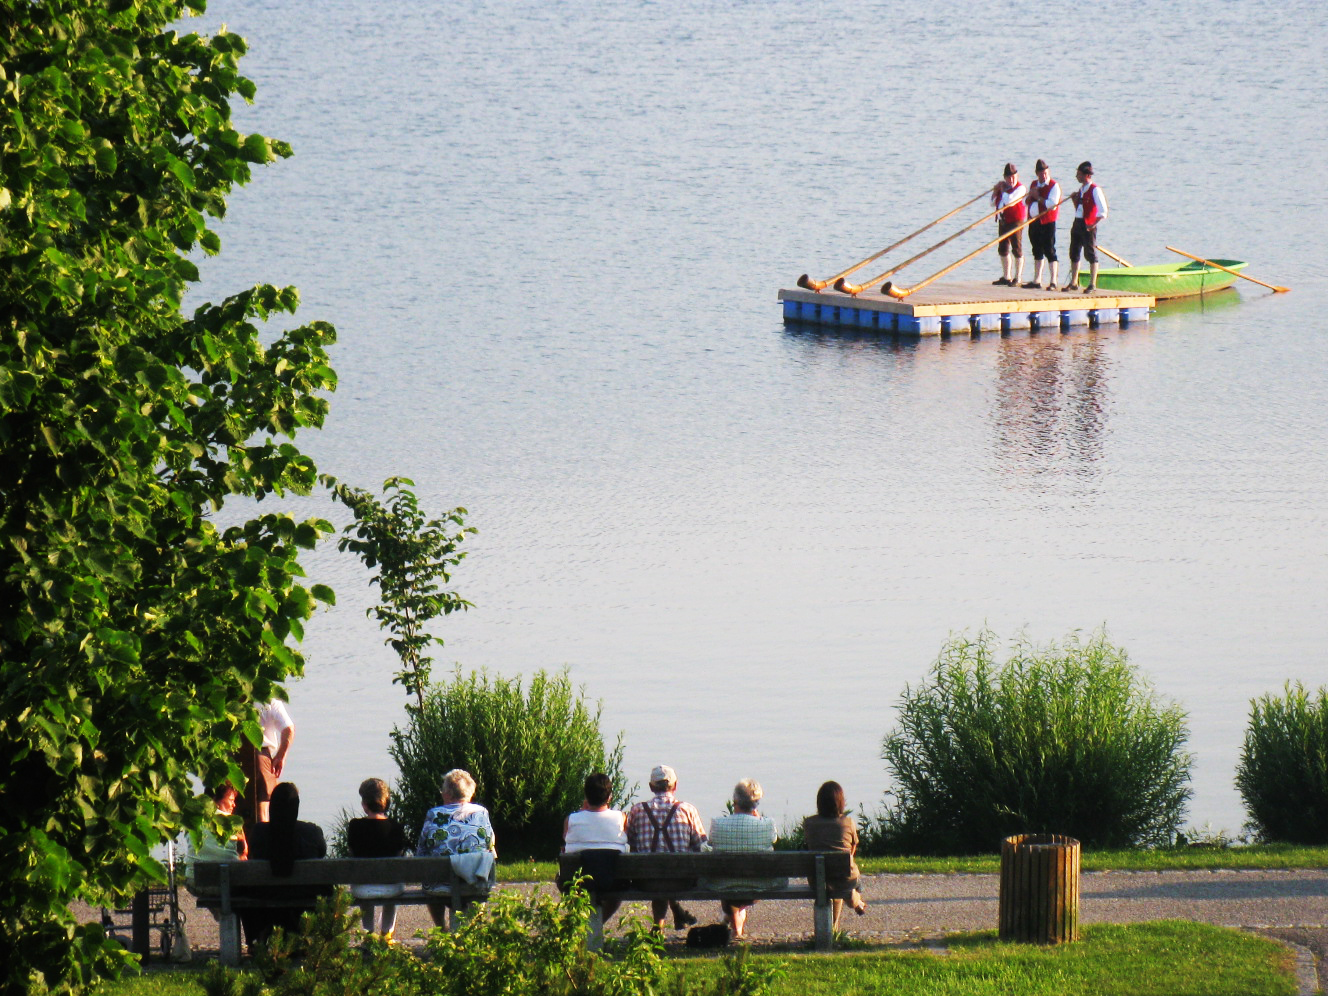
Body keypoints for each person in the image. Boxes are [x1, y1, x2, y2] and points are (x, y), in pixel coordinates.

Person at [241, 782, 329, 953]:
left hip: (267, 894)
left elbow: (253, 853)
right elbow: (322, 852)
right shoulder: (311, 831)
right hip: (304, 894)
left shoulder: (260, 831)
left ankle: (256, 939)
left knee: (244, 889)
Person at [626, 764, 707, 932]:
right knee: (669, 872)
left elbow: (631, 842)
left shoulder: (636, 810)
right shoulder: (687, 810)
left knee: (658, 872)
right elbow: (699, 844)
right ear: (675, 786)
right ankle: (676, 912)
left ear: (650, 787)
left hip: (645, 881)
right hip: (682, 881)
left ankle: (659, 925)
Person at [416, 768, 496, 927]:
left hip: (439, 886)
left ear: (447, 793)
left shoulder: (434, 814)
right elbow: (490, 844)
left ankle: (441, 928)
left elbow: (421, 850)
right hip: (473, 882)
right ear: (470, 792)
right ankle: (471, 927)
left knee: (431, 876)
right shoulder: (482, 813)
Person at [705, 778, 780, 940]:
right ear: (757, 803)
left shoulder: (718, 824)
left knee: (731, 884)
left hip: (723, 884)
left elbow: (710, 842)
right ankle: (737, 921)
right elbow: (774, 839)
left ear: (735, 801)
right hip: (760, 884)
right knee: (742, 884)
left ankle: (735, 922)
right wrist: (757, 817)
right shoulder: (767, 825)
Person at [347, 777, 410, 942]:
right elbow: (399, 856)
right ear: (386, 802)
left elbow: (352, 853)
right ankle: (386, 933)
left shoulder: (355, 826)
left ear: (365, 804)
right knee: (393, 878)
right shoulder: (396, 828)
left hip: (362, 888)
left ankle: (368, 933)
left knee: (364, 879)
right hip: (391, 888)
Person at [561, 772, 629, 922]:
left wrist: (582, 813)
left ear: (586, 795)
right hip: (612, 882)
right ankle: (595, 925)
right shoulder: (621, 818)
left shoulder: (571, 819)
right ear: (609, 797)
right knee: (615, 897)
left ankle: (585, 925)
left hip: (578, 881)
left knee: (565, 877)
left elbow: (565, 840)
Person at [801, 780, 867, 930]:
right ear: (841, 802)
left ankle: (834, 928)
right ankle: (854, 899)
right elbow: (852, 848)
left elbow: (809, 844)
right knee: (849, 881)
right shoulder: (848, 822)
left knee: (830, 877)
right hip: (845, 877)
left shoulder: (809, 823)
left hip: (817, 878)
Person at [236, 698, 295, 825]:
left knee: (231, 809)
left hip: (232, 757)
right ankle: (263, 842)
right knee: (262, 812)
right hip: (260, 759)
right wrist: (281, 756)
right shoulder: (268, 697)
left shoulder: (229, 693)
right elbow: (289, 729)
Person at [184, 783, 247, 890]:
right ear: (214, 800)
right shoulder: (233, 822)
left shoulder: (192, 818)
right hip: (228, 882)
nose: (234, 805)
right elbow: (244, 853)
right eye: (231, 800)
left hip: (195, 881)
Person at [1064, 161, 1108, 293]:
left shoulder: (1095, 190)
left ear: (1086, 175)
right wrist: (1074, 200)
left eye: (1079, 174)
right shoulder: (1082, 190)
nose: (1076, 176)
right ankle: (1073, 282)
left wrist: (1092, 224)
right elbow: (1079, 208)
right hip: (1077, 222)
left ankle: (1092, 283)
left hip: (1088, 225)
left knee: (1090, 253)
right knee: (1074, 252)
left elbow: (1103, 211)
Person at [1023, 159, 1061, 290]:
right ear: (1036, 173)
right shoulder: (1034, 184)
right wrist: (1030, 197)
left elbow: (1052, 205)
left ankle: (1053, 281)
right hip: (1034, 222)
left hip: (1047, 221)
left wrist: (1038, 197)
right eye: (1041, 173)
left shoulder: (1053, 186)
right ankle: (1037, 280)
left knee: (1049, 250)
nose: (1043, 176)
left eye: (1045, 173)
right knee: (1036, 250)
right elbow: (1026, 202)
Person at [990, 163, 1027, 287]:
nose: (1011, 180)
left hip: (1015, 220)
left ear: (1017, 176)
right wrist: (995, 191)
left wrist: (1003, 190)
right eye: (1009, 177)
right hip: (1003, 220)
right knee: (1003, 248)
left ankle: (1018, 277)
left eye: (1013, 177)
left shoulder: (1021, 188)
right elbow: (992, 203)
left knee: (1017, 248)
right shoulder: (1003, 189)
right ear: (1005, 178)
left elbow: (1009, 201)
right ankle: (1007, 277)